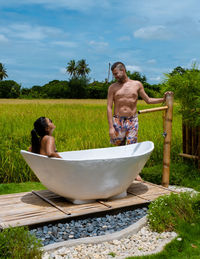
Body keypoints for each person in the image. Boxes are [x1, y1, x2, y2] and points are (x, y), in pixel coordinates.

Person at [107, 62, 168, 180]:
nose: (115, 76)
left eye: (116, 74)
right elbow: (109, 107)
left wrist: (163, 99)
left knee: (132, 148)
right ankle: (118, 173)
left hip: (132, 121)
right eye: (114, 75)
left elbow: (148, 100)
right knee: (118, 149)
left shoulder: (137, 84)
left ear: (123, 70)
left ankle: (134, 173)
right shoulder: (113, 87)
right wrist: (111, 127)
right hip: (117, 121)